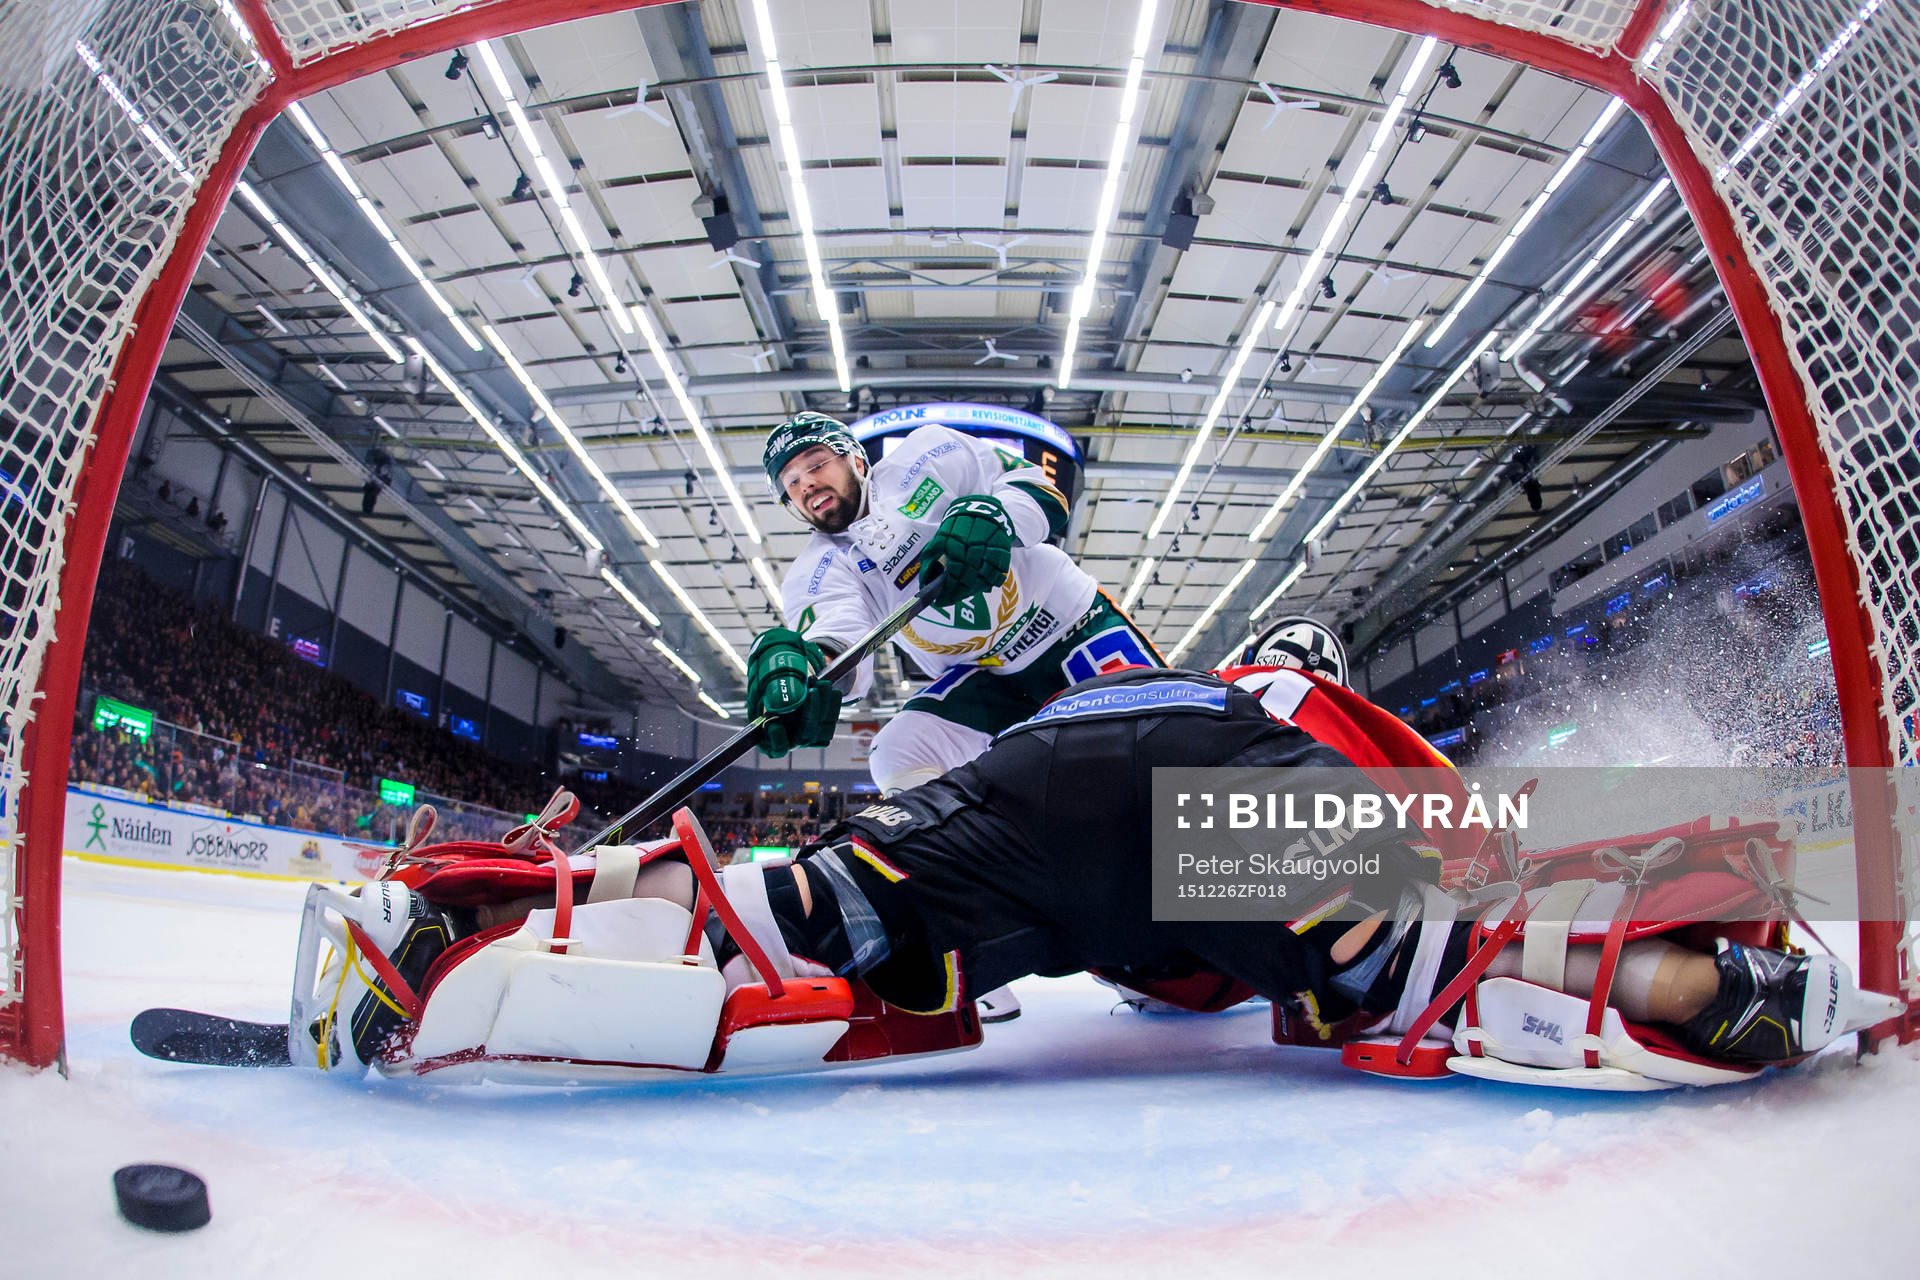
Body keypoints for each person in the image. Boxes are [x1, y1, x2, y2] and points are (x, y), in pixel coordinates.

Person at [328, 665, 1894, 1087]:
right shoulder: (1308, 707)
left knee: (790, 916)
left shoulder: (1142, 679)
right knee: (1452, 961)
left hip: (1035, 801)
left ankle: (481, 912)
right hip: (1196, 817)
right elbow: (1477, 843)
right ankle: (1744, 988)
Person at [752, 411, 1162, 1021]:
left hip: (1073, 627)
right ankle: (979, 922)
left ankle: (1270, 924)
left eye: (816, 465)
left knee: (1166, 769)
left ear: (854, 458)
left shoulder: (930, 453)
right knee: (897, 752)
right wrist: (803, 668)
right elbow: (839, 647)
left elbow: (1040, 490)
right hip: (986, 679)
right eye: (791, 483)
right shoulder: (818, 570)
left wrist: (994, 515)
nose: (807, 486)